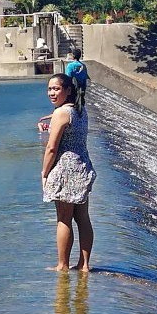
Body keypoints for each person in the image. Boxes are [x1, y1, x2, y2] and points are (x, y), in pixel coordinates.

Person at [41, 71, 96, 272]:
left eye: (56, 88)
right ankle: (84, 265)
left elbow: (52, 148)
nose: (51, 93)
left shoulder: (61, 113)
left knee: (64, 218)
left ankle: (62, 265)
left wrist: (44, 173)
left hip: (66, 171)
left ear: (68, 90)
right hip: (82, 167)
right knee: (83, 218)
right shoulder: (80, 110)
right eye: (49, 89)